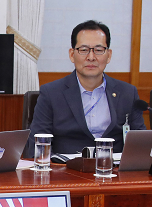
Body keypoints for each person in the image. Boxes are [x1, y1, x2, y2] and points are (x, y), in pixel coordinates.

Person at [28, 20, 146, 156]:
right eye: (84, 50)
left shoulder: (128, 93)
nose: (91, 57)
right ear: (72, 55)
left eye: (99, 50)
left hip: (115, 172)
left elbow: (141, 143)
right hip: (67, 172)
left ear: (109, 55)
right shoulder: (51, 93)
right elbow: (37, 146)